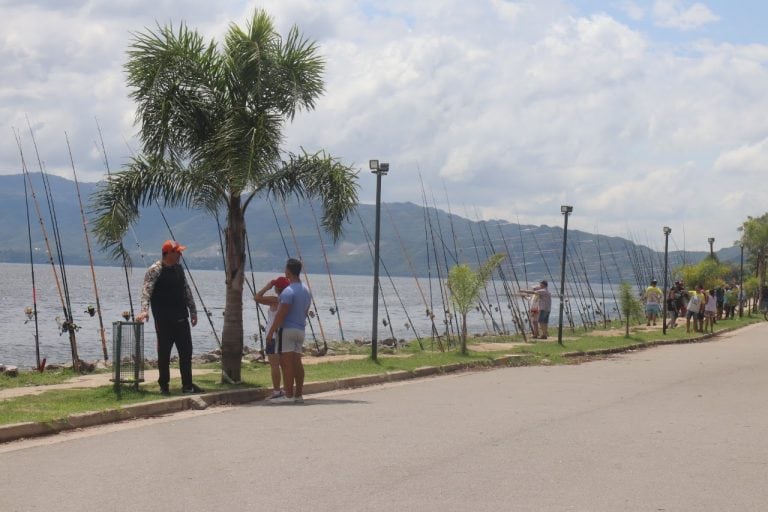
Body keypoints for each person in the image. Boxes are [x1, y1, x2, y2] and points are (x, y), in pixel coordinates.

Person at [136, 240, 204, 396]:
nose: (180, 255)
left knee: (186, 353)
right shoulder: (155, 270)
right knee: (164, 354)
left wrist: (193, 311)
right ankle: (164, 385)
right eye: (177, 252)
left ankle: (187, 385)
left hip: (181, 318)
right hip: (163, 319)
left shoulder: (179, 269)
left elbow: (186, 290)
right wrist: (144, 311)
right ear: (168, 253)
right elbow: (146, 291)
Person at [265, 258, 312, 404]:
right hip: (300, 329)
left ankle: (288, 395)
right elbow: (305, 311)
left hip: (287, 331)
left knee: (286, 364)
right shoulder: (306, 290)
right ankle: (298, 395)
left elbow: (281, 314)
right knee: (297, 362)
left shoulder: (288, 291)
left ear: (288, 271)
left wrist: (271, 332)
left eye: (285, 269)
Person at [254, 276, 291, 399]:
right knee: (285, 364)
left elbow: (257, 297)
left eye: (275, 286)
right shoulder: (290, 301)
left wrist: (266, 287)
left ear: (277, 288)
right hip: (285, 335)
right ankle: (287, 389)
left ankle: (277, 391)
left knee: (274, 365)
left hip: (273, 335)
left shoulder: (275, 300)